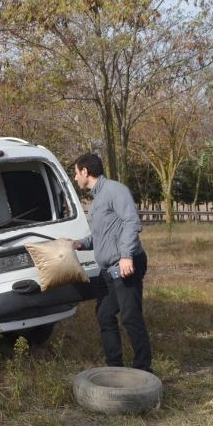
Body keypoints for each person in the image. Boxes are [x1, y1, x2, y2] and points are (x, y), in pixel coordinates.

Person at [71, 153, 152, 372]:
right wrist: (80, 244)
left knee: (130, 316)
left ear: (85, 172)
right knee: (105, 314)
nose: (75, 178)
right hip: (108, 270)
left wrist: (126, 255)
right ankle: (114, 367)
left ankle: (143, 370)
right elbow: (101, 236)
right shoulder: (97, 200)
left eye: (76, 173)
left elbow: (131, 222)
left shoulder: (115, 190)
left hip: (126, 264)